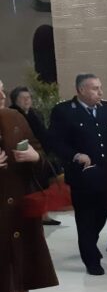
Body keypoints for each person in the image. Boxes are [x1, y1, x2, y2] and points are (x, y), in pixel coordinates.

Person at [48, 73, 107, 275]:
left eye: (100, 87)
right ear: (81, 90)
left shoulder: (105, 108)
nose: (100, 92)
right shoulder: (64, 111)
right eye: (95, 88)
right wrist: (75, 155)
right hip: (82, 174)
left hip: (104, 172)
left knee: (103, 211)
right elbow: (55, 142)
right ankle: (91, 260)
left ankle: (89, 243)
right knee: (85, 217)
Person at [0, 80, 58, 292]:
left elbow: (39, 153)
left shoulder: (15, 117)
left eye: (2, 89)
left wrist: (35, 158)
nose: (2, 95)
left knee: (22, 258)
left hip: (21, 201)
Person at [9, 86, 60, 226]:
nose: (27, 101)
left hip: (39, 155)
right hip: (22, 154)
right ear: (15, 100)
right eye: (23, 98)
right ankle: (35, 214)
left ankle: (44, 214)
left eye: (29, 98)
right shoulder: (12, 115)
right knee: (29, 187)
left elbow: (43, 134)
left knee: (43, 185)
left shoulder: (35, 114)